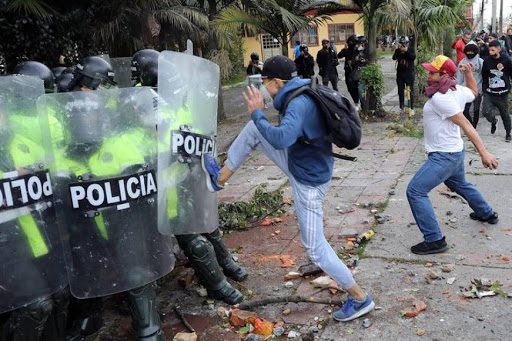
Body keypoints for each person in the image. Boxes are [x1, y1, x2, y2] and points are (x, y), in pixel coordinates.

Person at [201, 55, 375, 322]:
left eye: (264, 83)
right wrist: (257, 118)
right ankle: (219, 178)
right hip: (304, 165)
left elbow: (281, 138)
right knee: (254, 130)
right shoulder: (298, 93)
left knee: (315, 249)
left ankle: (360, 297)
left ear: (277, 82)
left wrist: (258, 112)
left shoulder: (299, 104)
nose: (262, 89)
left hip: (308, 181)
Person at [137, 49, 248, 305]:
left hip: (186, 177)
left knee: (209, 225)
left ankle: (226, 265)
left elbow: (189, 128)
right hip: (162, 187)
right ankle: (216, 285)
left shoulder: (172, 99)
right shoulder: (141, 102)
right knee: (194, 242)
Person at [407, 55, 499, 255]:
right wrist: (467, 74)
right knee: (459, 184)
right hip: (454, 152)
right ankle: (486, 213)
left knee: (415, 191)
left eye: (432, 72)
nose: (428, 74)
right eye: (429, 70)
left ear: (445, 74)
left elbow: (466, 124)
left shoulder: (442, 98)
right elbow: (474, 92)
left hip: (444, 155)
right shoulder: (455, 89)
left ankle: (434, 240)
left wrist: (484, 153)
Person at [481, 40, 512, 141]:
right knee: (485, 111)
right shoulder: (487, 60)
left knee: (505, 115)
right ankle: (494, 121)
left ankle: (508, 133)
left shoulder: (507, 60)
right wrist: (484, 89)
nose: (490, 51)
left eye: (493, 49)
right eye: (489, 49)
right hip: (490, 93)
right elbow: (484, 76)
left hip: (502, 94)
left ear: (499, 49)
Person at [456, 41, 484, 128]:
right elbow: (459, 77)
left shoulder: (481, 62)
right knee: (465, 110)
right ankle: (470, 126)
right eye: (468, 51)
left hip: (478, 89)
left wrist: (482, 89)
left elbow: (484, 76)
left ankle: (473, 127)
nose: (470, 53)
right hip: (465, 90)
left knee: (476, 110)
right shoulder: (462, 62)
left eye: (472, 51)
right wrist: (458, 88)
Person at [392, 35, 416, 114]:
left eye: (405, 43)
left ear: (408, 43)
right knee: (400, 91)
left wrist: (406, 51)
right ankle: (401, 106)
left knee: (410, 91)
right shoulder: (398, 50)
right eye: (402, 43)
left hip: (409, 74)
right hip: (400, 74)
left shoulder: (410, 49)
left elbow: (413, 57)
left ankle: (411, 107)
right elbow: (394, 58)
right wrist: (398, 50)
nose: (403, 45)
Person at [338, 35, 359, 105]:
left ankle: (358, 102)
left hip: (357, 71)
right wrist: (344, 49)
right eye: (349, 42)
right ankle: (356, 102)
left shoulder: (358, 50)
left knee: (357, 87)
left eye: (351, 42)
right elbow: (339, 56)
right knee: (350, 87)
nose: (350, 44)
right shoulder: (347, 50)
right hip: (348, 71)